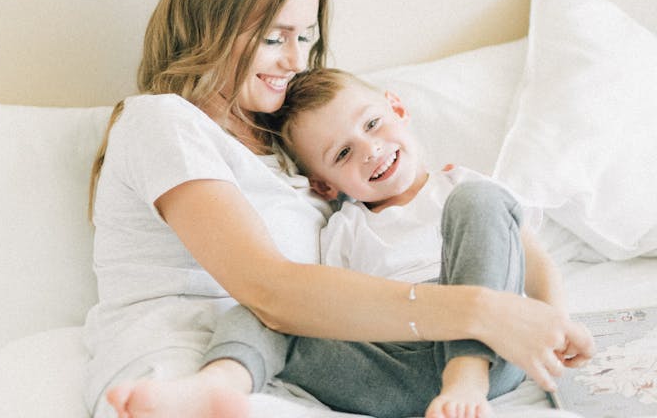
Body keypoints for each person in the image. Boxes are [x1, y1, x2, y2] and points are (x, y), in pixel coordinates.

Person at [84, 0, 595, 418]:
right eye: (273, 38)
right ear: (208, 22)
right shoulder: (161, 121)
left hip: (310, 366)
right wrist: (486, 310)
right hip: (194, 360)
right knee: (264, 312)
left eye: (304, 36)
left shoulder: (293, 152)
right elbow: (271, 292)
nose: (297, 61)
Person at [124, 68, 584, 418]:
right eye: (342, 154)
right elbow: (330, 312)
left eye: (372, 124)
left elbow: (532, 259)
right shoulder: (343, 228)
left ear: (397, 108)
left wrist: (556, 322)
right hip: (389, 370)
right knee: (266, 307)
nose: (370, 150)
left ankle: (465, 376)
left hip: (494, 350)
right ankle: (221, 381)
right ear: (324, 185)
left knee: (480, 200)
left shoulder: (460, 186)